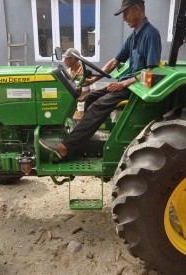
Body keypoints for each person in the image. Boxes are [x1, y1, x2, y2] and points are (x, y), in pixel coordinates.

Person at [39, 0, 161, 159]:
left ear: (137, 9)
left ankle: (65, 147)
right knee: (89, 97)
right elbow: (115, 61)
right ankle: (78, 140)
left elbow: (152, 70)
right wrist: (94, 78)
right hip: (127, 85)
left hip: (137, 88)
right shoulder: (134, 37)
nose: (124, 18)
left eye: (125, 13)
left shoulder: (151, 34)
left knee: (98, 105)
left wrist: (124, 83)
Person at [62, 48, 86, 124]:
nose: (64, 61)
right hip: (70, 109)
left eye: (66, 59)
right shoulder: (67, 72)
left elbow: (89, 92)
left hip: (82, 111)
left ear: (73, 59)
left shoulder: (85, 73)